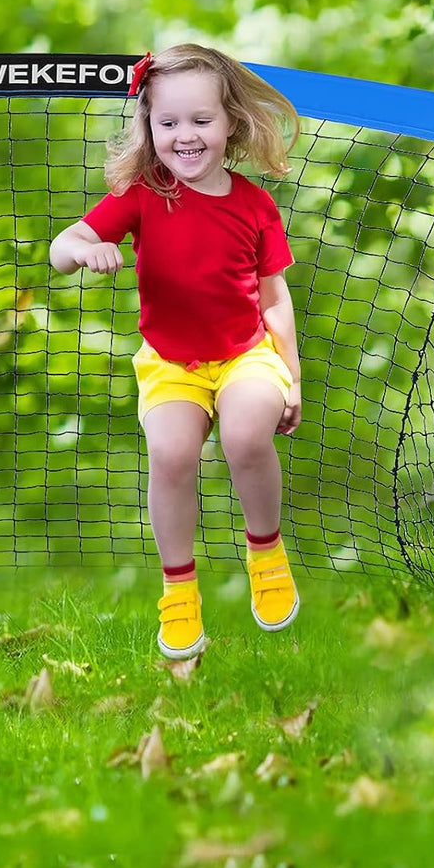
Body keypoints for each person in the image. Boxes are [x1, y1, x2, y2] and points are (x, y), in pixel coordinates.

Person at [50, 44, 303, 660]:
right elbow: (61, 247)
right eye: (168, 123)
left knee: (245, 438)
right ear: (149, 127)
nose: (184, 136)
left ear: (230, 123)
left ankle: (266, 551)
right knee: (170, 452)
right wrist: (86, 249)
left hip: (248, 355)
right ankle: (179, 588)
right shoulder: (142, 195)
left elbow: (275, 299)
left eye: (200, 121)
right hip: (170, 361)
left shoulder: (254, 205)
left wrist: (291, 378)